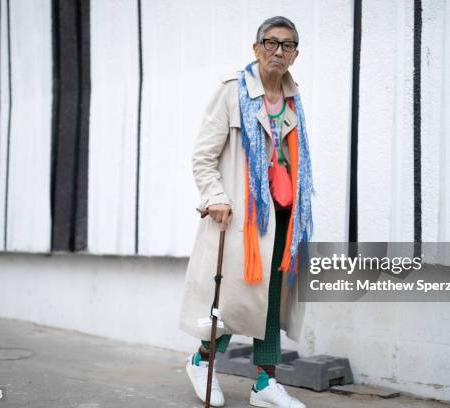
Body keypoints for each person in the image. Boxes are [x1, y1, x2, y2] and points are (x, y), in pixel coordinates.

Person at [179, 16, 314, 408]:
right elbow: (203, 156)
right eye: (270, 43)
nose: (278, 52)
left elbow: (293, 157)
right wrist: (215, 197)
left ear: (295, 55)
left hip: (282, 217)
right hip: (240, 220)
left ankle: (264, 384)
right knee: (232, 299)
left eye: (287, 45)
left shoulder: (293, 97)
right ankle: (201, 361)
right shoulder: (231, 93)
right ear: (255, 49)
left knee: (269, 300)